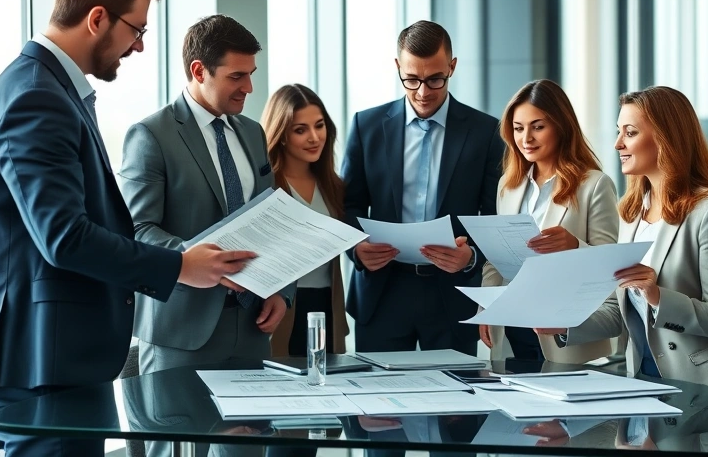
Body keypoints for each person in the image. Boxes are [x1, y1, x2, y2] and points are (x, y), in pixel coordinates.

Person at [0, 0, 254, 456]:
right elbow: (63, 237)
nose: (137, 47)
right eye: (135, 30)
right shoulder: (35, 97)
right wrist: (178, 265)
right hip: (40, 362)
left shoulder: (47, 90)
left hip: (51, 357)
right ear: (97, 19)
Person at [118, 15, 294, 448]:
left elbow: (271, 221)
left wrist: (279, 290)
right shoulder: (151, 135)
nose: (249, 88)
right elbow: (136, 231)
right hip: (182, 331)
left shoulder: (253, 134)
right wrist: (194, 261)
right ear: (199, 71)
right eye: (237, 76)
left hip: (252, 327)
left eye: (251, 75)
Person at [537, 86, 708, 392]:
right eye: (618, 132)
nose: (618, 143)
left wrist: (657, 296)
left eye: (630, 133)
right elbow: (618, 312)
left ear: (665, 138)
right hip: (647, 380)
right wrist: (565, 324)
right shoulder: (629, 214)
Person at [342, 20, 504, 356]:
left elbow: (492, 216)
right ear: (398, 67)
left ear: (452, 67)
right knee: (377, 404)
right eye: (411, 79)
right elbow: (348, 205)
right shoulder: (366, 126)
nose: (422, 92)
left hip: (452, 295)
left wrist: (471, 256)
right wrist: (356, 248)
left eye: (435, 79)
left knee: (457, 406)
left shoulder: (486, 132)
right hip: (381, 291)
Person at [478, 80, 618, 364]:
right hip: (512, 329)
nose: (526, 138)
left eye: (538, 126)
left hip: (563, 335)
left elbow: (611, 267)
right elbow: (496, 260)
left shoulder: (594, 185)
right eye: (518, 128)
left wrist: (574, 245)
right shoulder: (509, 185)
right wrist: (486, 307)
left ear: (561, 127)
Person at [262, 84, 350, 358]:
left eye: (319, 126)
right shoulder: (266, 186)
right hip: (282, 306)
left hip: (327, 304)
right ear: (282, 135)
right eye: (300, 130)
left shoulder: (334, 186)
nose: (314, 137)